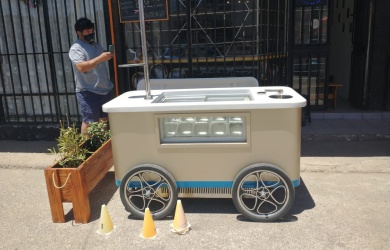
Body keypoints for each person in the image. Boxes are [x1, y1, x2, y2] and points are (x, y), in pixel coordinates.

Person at [69, 17, 114, 134]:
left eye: (92, 31)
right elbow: (81, 67)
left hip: (104, 89)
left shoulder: (96, 45)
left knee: (104, 119)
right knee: (89, 122)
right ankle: (86, 149)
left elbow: (97, 63)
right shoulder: (76, 48)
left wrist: (106, 56)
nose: (91, 33)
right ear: (79, 33)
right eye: (87, 32)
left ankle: (102, 145)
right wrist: (101, 58)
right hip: (88, 91)